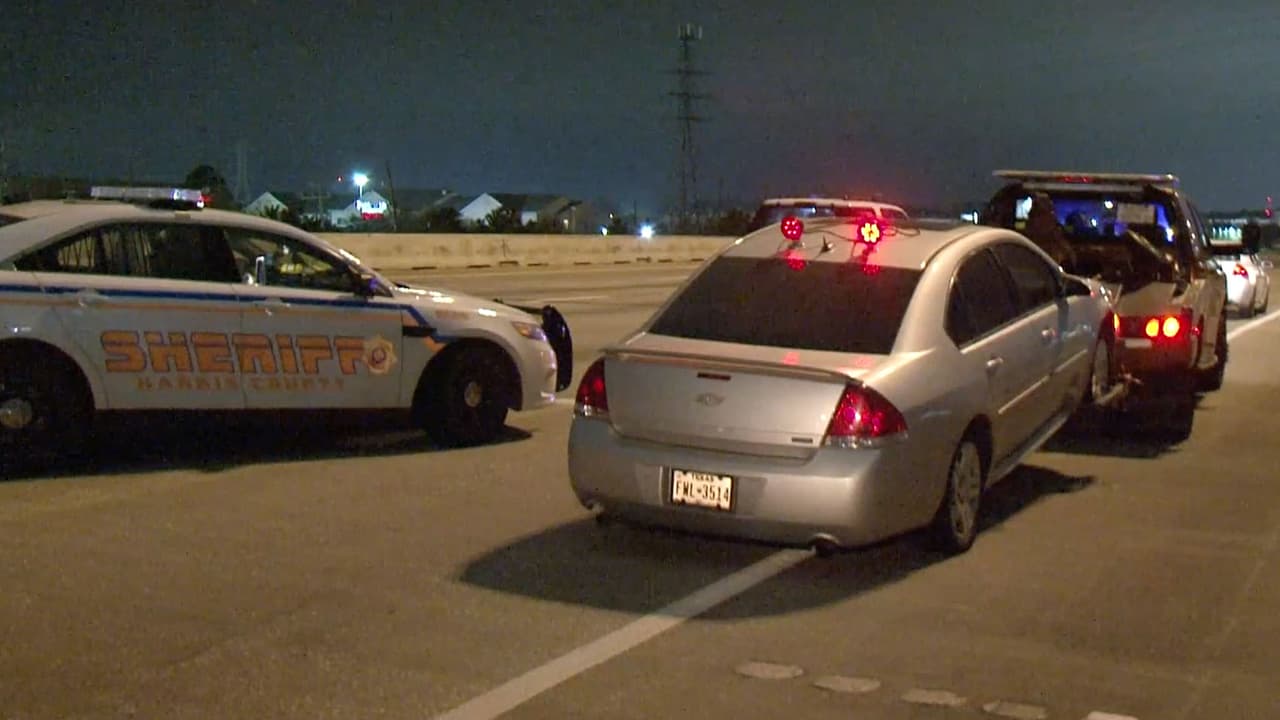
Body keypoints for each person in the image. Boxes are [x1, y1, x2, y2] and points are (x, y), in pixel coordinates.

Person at [1023, 192, 1076, 268]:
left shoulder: (1060, 243)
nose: (1043, 219)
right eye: (1039, 214)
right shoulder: (1025, 244)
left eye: (1050, 212)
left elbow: (1069, 263)